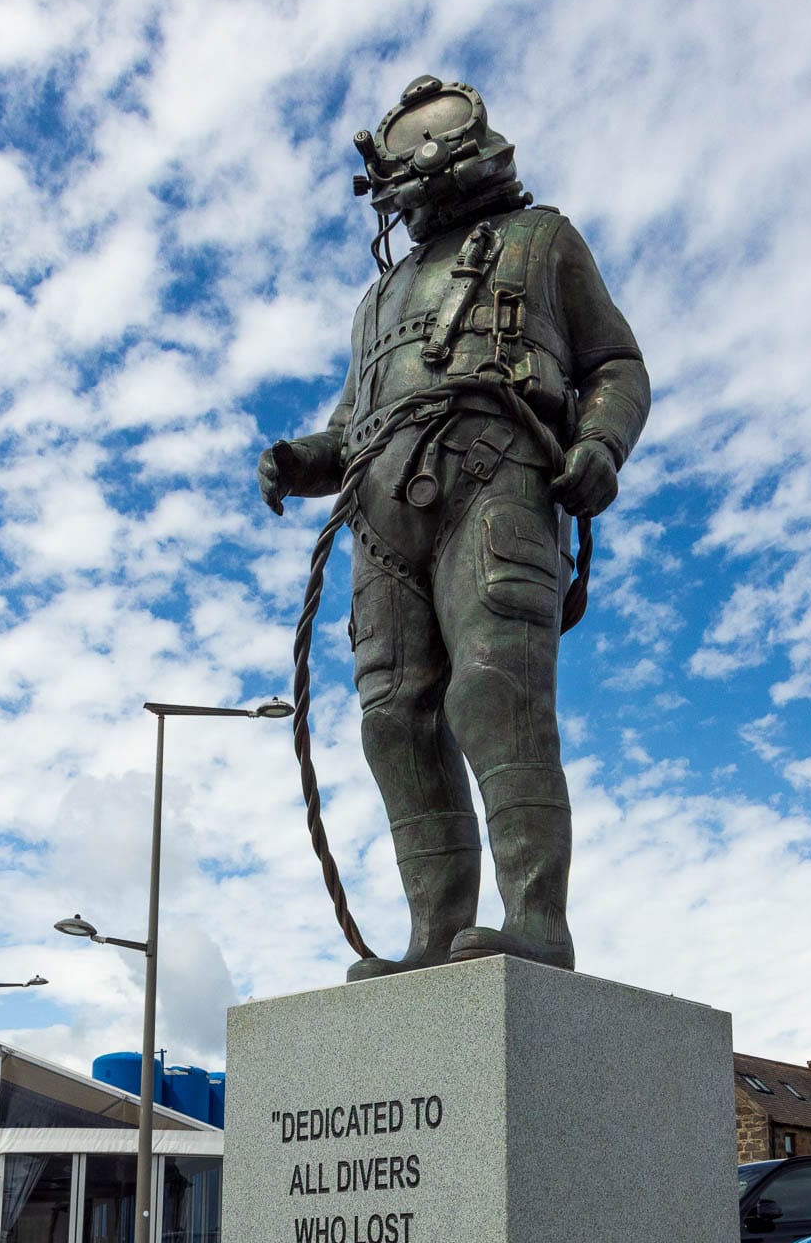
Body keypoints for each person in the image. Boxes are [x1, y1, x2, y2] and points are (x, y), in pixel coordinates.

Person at [259, 76, 651, 980]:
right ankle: (436, 932)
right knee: (392, 719)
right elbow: (353, 420)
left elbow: (616, 363)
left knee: (491, 690)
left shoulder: (542, 241)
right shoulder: (379, 300)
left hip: (495, 485)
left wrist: (599, 442)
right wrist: (301, 461)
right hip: (380, 517)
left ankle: (536, 923)